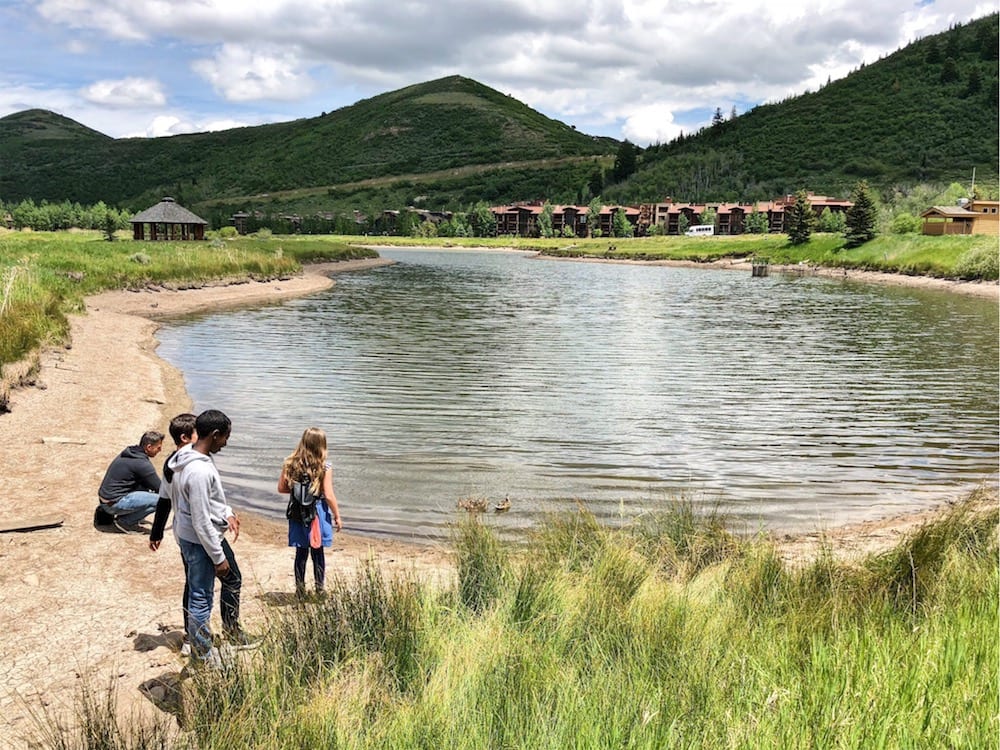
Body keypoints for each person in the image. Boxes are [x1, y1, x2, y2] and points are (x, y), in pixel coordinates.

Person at [166, 409, 253, 664]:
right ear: (215, 435)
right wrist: (217, 557)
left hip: (189, 536)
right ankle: (203, 655)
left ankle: (210, 642)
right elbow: (201, 519)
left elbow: (206, 503)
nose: (226, 443)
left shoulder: (186, 457)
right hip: (200, 542)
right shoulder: (200, 471)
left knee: (204, 589)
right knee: (201, 598)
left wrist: (226, 511)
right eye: (225, 437)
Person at [278, 427, 342, 598]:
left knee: (301, 551)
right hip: (317, 511)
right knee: (317, 551)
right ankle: (320, 588)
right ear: (322, 445)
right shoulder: (325, 467)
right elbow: (328, 494)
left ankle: (300, 589)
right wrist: (337, 515)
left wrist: (300, 492)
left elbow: (281, 488)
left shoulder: (290, 463)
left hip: (298, 511)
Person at [96, 430, 164, 533]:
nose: (160, 450)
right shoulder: (141, 463)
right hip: (113, 503)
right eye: (158, 447)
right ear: (149, 447)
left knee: (148, 489)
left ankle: (130, 516)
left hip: (106, 500)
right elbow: (160, 489)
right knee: (163, 500)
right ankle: (125, 522)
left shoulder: (131, 453)